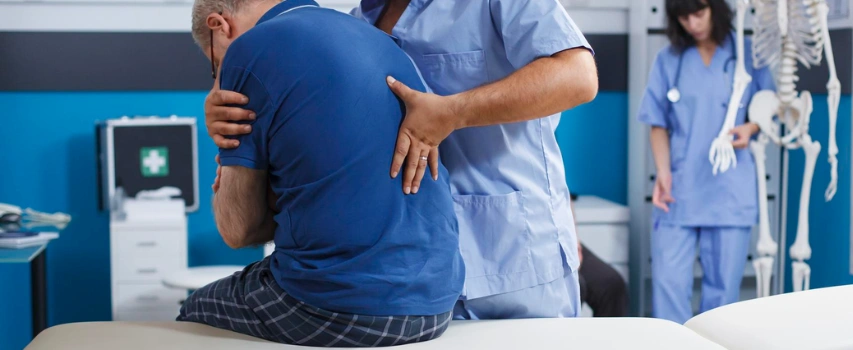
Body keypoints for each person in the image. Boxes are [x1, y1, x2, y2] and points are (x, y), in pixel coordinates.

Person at [203, 0, 599, 319]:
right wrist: (227, 114)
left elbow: (579, 76)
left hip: (515, 260)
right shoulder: (359, 24)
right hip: (417, 273)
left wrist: (454, 111)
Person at [177, 0, 464, 346]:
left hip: (336, 307)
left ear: (218, 26)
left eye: (216, 64)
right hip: (437, 303)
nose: (220, 77)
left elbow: (239, 230)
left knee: (192, 311)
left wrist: (230, 177)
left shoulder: (248, 48)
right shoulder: (380, 40)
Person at [638, 0, 775, 324]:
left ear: (715, 8)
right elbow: (657, 123)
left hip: (729, 187)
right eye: (684, 17)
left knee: (722, 298)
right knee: (668, 286)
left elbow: (769, 106)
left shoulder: (747, 54)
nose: (692, 23)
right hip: (680, 188)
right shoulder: (669, 59)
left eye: (698, 13)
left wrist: (751, 127)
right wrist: (663, 172)